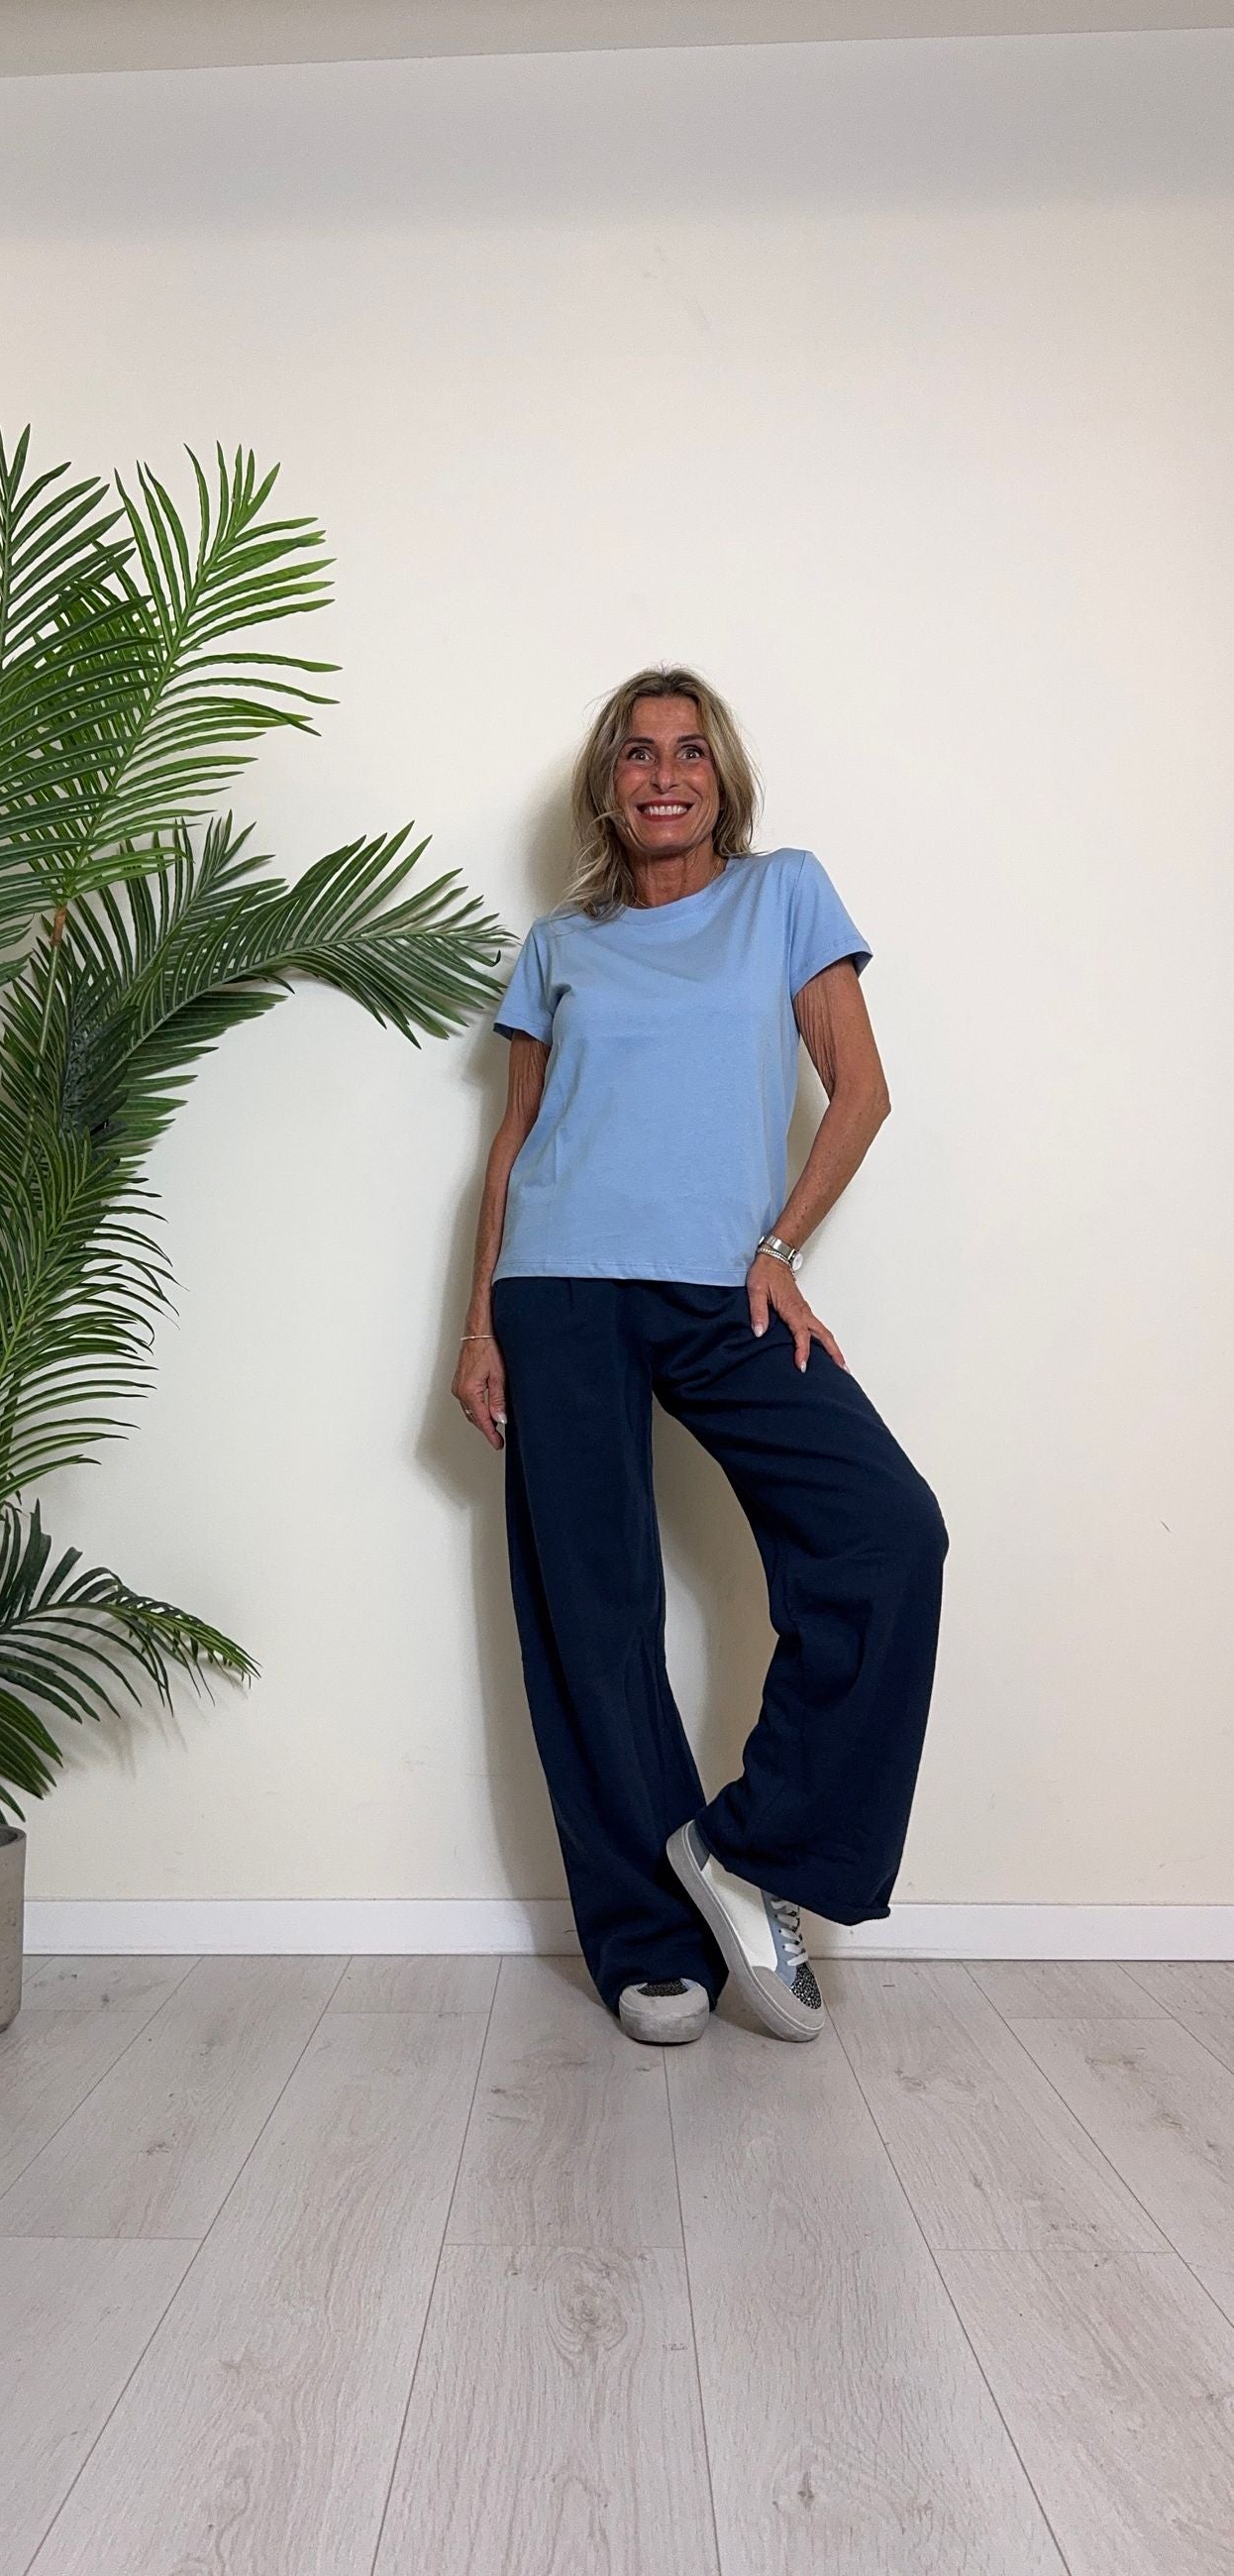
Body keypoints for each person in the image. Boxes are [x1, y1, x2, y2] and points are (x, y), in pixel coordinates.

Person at [453, 666, 949, 2049]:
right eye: (636, 753)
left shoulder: (785, 894)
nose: (663, 774)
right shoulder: (561, 941)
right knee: (594, 1613)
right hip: (558, 1289)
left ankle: (749, 1851)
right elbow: (513, 1142)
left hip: (727, 1290)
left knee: (888, 1533)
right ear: (605, 785)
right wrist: (479, 1322)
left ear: (722, 778)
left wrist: (779, 1246)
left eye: (688, 752)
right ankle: (647, 1943)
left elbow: (862, 1093)